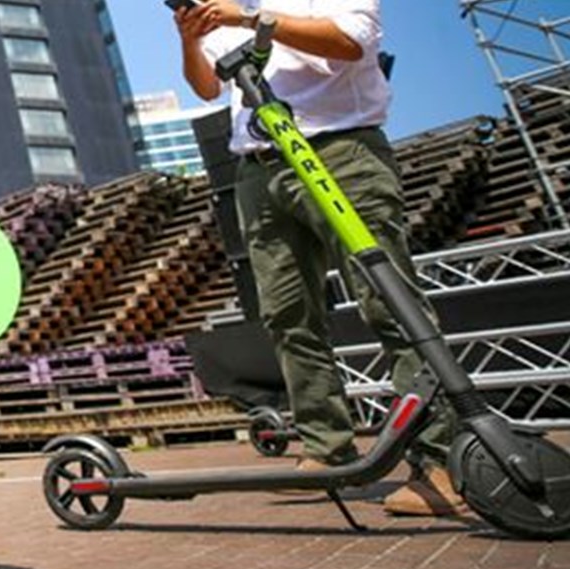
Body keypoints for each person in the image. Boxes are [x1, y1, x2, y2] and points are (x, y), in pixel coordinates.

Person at [173, 0, 468, 517]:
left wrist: (250, 22)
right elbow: (206, 88)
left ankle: (442, 462)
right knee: (287, 316)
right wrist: (189, 37)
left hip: (339, 150)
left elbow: (350, 43)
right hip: (260, 167)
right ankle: (326, 448)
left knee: (389, 302)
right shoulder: (230, 6)